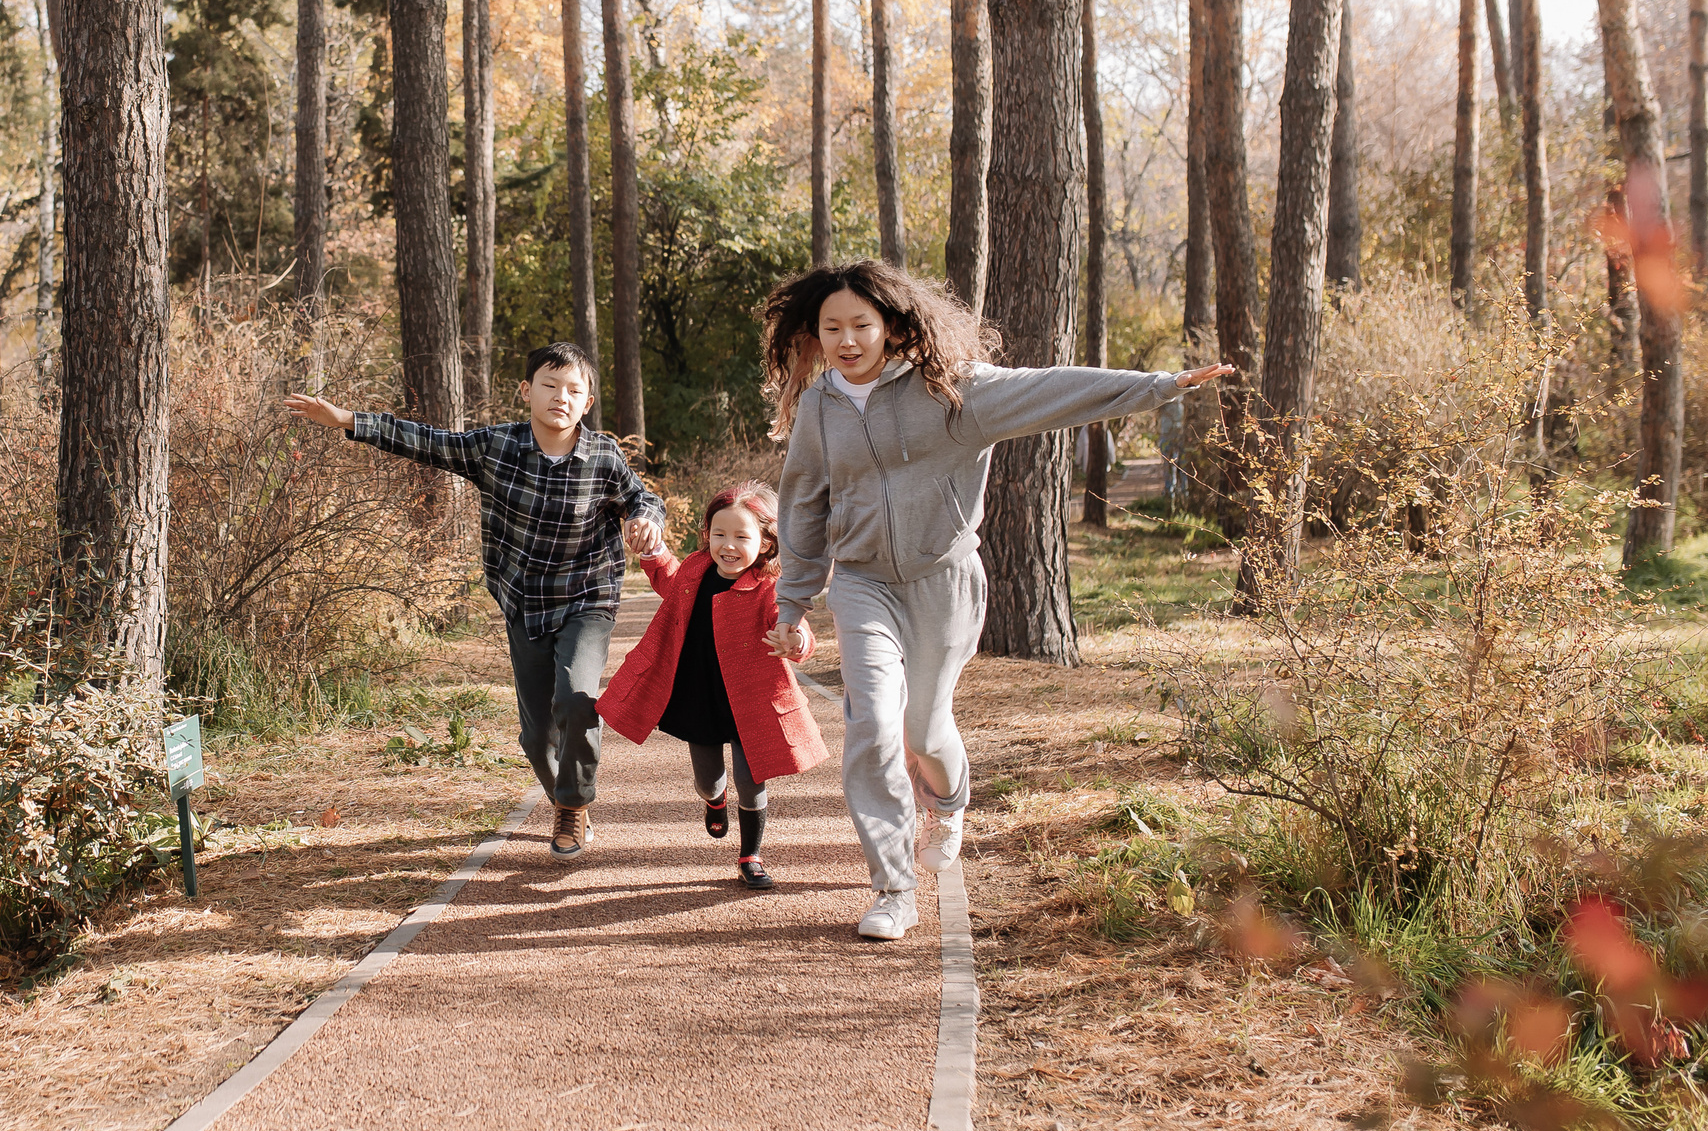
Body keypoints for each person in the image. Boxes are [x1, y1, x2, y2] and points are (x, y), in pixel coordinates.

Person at [760, 260, 1231, 941]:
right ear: (816, 334)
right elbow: (804, 501)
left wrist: (1157, 387)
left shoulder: (952, 391)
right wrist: (793, 602)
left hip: (944, 581)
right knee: (874, 728)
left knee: (924, 730)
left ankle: (948, 800)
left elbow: (1053, 390)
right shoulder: (819, 408)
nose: (847, 340)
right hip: (863, 583)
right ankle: (894, 889)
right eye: (832, 328)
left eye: (861, 324)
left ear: (892, 325)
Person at [284, 343, 666, 858]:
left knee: (577, 700)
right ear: (527, 391)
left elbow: (642, 498)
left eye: (574, 390)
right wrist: (349, 420)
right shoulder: (496, 447)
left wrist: (646, 520)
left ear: (588, 402)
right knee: (536, 739)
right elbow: (428, 442)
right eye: (550, 385)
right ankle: (563, 792)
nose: (561, 397)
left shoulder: (603, 456)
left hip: (586, 597)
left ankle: (572, 806)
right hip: (523, 601)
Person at [596, 482, 828, 891]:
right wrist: (652, 550)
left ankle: (750, 856)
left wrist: (795, 640)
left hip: (752, 701)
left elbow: (793, 625)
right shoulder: (696, 569)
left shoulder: (770, 588)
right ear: (707, 534)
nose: (728, 545)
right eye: (719, 534)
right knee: (709, 779)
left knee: (750, 780)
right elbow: (669, 580)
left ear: (767, 543)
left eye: (742, 536)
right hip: (699, 693)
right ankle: (714, 801)